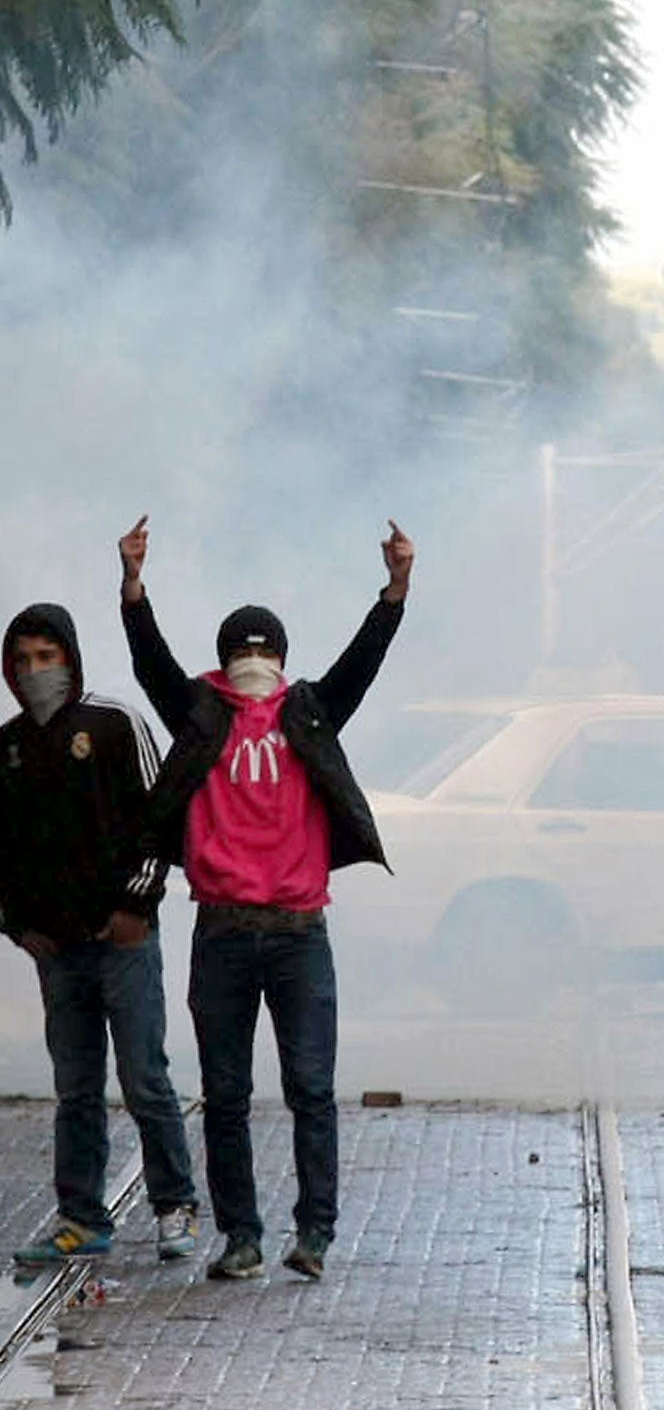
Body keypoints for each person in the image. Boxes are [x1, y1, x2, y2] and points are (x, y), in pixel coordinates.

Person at [119, 514, 412, 1280]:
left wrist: (395, 591)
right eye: (242, 651)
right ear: (222, 661)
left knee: (312, 1088)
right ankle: (241, 1238)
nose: (254, 661)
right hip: (220, 931)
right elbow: (151, 665)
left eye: (265, 650)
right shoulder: (199, 714)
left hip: (298, 931)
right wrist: (133, 589)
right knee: (224, 1095)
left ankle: (313, 1234)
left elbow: (362, 664)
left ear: (283, 658)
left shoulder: (308, 710)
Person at [1, 604, 201, 1267]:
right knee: (75, 1088)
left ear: (71, 657)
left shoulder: (114, 723)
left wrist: (136, 905)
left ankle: (175, 1206)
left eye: (46, 657)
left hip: (122, 939)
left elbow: (160, 816)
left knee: (144, 1076)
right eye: (23, 660)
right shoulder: (9, 747)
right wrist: (17, 925)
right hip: (56, 951)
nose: (35, 672)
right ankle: (81, 1218)